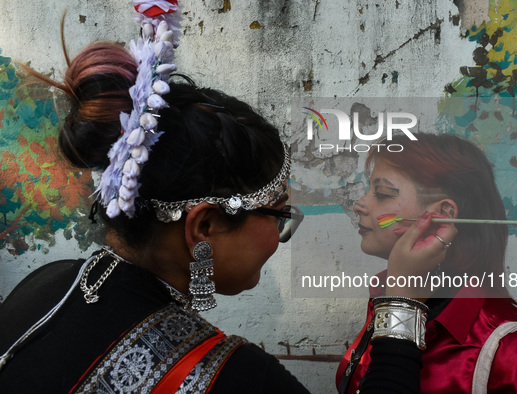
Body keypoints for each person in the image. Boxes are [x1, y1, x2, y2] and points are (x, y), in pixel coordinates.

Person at [0, 2, 430, 393]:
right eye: (279, 216)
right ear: (204, 226)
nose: (284, 233)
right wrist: (404, 301)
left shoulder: (50, 284)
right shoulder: (237, 380)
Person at [336, 132, 517, 393]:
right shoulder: (389, 299)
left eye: (382, 193)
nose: (359, 205)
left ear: (443, 214)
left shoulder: (516, 357)